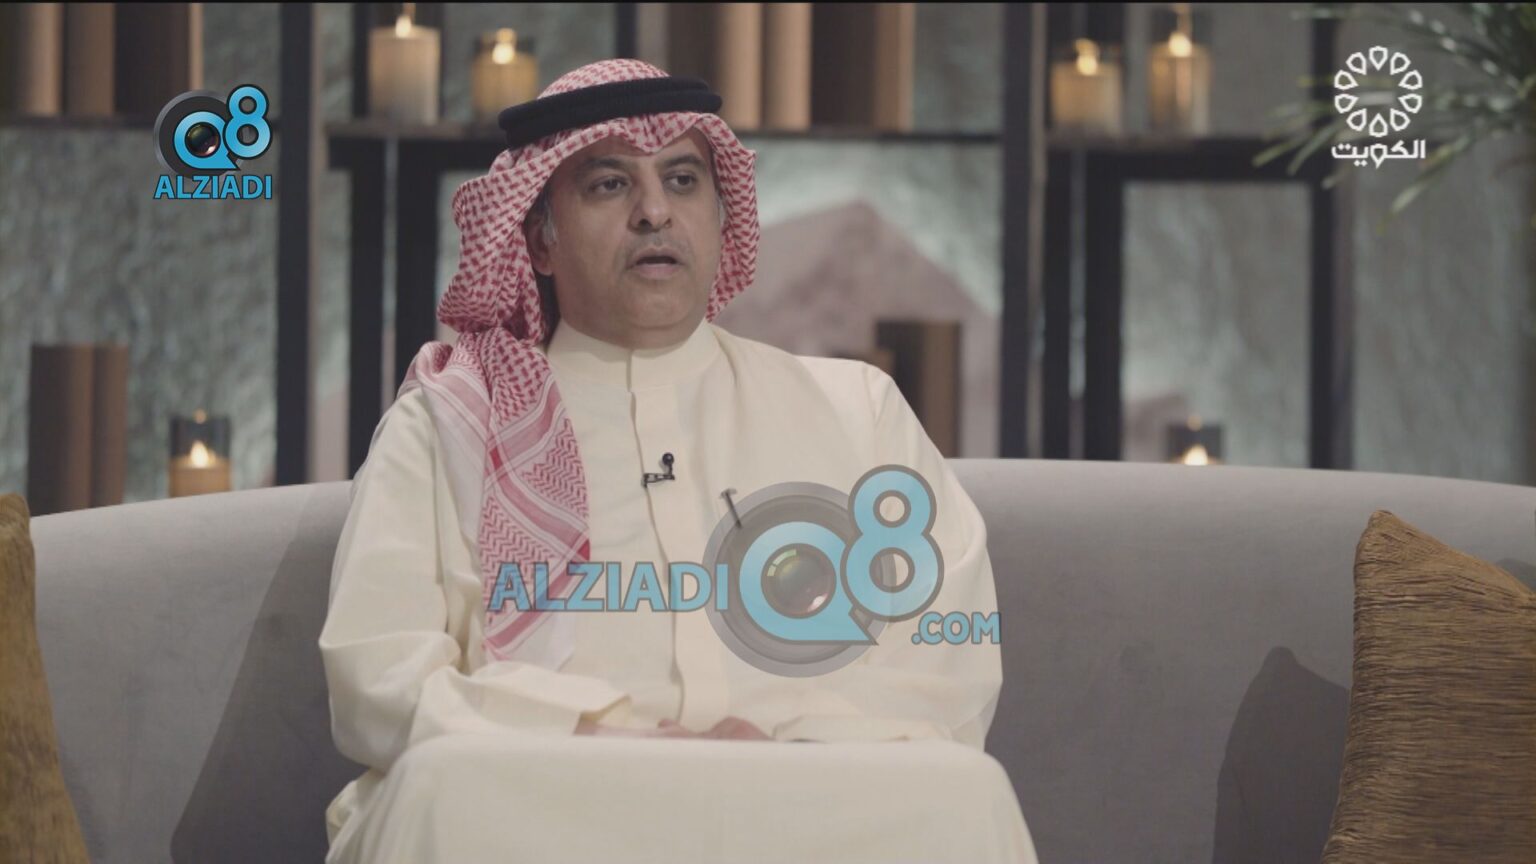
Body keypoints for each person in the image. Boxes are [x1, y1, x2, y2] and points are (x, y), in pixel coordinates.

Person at [319, 58, 1037, 863]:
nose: (655, 211)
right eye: (609, 185)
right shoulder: (448, 421)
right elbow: (379, 672)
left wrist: (786, 744)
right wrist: (591, 734)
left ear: (721, 220)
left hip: (802, 799)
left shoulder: (855, 409)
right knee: (446, 788)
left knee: (966, 794)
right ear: (539, 240)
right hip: (555, 793)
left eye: (683, 180)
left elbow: (946, 659)